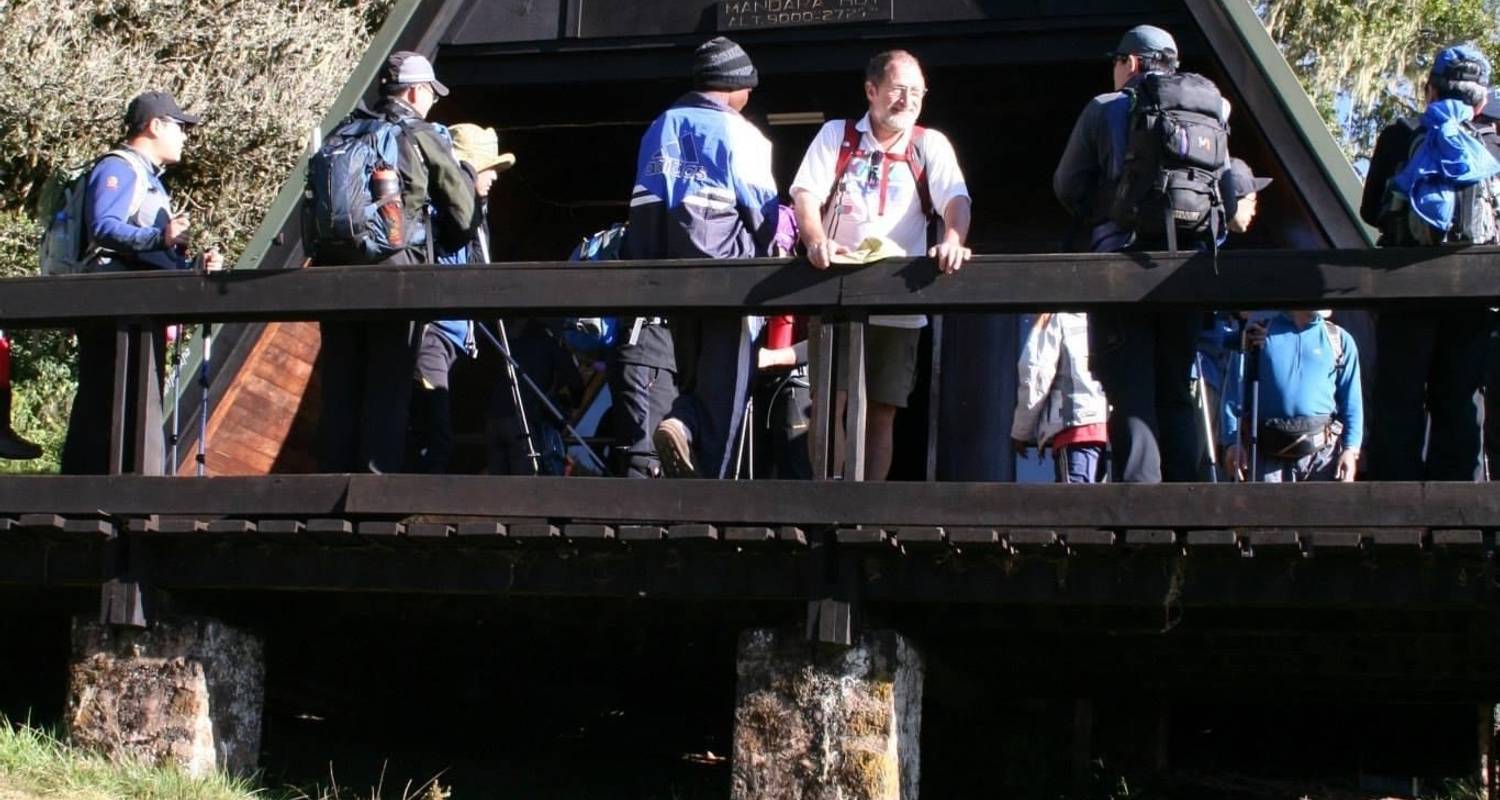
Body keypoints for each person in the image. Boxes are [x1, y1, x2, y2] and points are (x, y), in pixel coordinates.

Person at [1053, 25, 1229, 484]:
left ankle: (1138, 511)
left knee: (1131, 391)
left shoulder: (1105, 107)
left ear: (1131, 62)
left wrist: (1104, 213)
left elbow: (1066, 184)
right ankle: (1185, 506)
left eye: (1116, 61)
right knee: (1175, 390)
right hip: (1186, 269)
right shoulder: (1210, 108)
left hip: (1121, 266)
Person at [790, 49, 972, 481]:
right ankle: (824, 499)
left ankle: (866, 509)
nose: (908, 101)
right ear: (871, 91)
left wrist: (953, 239)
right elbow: (805, 195)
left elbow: (956, 200)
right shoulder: (838, 136)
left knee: (883, 409)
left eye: (917, 92)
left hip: (898, 298)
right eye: (898, 90)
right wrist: (815, 240)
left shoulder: (930, 144)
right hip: (835, 287)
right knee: (829, 401)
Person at [315, 51, 480, 474]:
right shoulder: (420, 134)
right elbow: (463, 214)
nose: (433, 101)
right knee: (387, 386)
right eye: (431, 92)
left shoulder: (345, 131)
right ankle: (375, 486)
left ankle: (329, 481)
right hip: (395, 273)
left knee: (341, 383)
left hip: (335, 274)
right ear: (414, 90)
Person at [626, 36, 779, 479]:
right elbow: (762, 214)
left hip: (670, 284)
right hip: (730, 278)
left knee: (693, 380)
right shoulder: (740, 132)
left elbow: (643, 209)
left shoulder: (658, 126)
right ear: (735, 86)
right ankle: (709, 498)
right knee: (728, 390)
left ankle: (680, 424)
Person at [61, 90, 224, 475]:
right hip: (110, 306)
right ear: (155, 125)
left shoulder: (148, 179)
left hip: (131, 307)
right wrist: (159, 238)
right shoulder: (118, 169)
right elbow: (103, 227)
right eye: (181, 127)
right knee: (105, 397)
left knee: (131, 398)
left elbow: (146, 249)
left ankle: (123, 487)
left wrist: (191, 265)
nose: (186, 135)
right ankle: (88, 490)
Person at [1361, 44, 1498, 481]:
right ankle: (1458, 506)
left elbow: (1370, 210)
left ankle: (1392, 506)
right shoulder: (1492, 144)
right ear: (1481, 99)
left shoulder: (1401, 134)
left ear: (1429, 90)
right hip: (1471, 294)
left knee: (1399, 395)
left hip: (1404, 286)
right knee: (1458, 396)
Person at [409, 123, 515, 473]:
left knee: (429, 431)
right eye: (490, 168)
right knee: (432, 437)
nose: (495, 178)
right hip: (432, 334)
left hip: (447, 338)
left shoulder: (474, 212)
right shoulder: (445, 207)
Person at [1221, 310, 1363, 482]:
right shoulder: (1257, 334)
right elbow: (1233, 394)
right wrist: (1232, 441)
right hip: (1267, 455)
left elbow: (1352, 401)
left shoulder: (1339, 339)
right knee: (1265, 509)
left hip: (1322, 456)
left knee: (1324, 509)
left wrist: (1350, 449)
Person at [1011, 312, 1109, 483]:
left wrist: (1021, 432)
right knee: (1094, 505)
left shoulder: (1056, 317)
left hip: (1074, 427)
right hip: (1103, 428)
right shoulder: (1101, 317)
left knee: (1073, 504)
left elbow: (1035, 375)